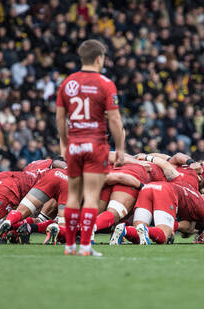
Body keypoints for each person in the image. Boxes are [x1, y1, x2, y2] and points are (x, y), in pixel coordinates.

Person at [56, 39, 124, 256]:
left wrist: (65, 144)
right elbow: (114, 120)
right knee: (92, 197)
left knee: (73, 197)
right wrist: (120, 147)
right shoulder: (105, 83)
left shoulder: (67, 83)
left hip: (75, 145)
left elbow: (60, 118)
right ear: (98, 59)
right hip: (96, 145)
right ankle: (85, 246)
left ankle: (69, 246)